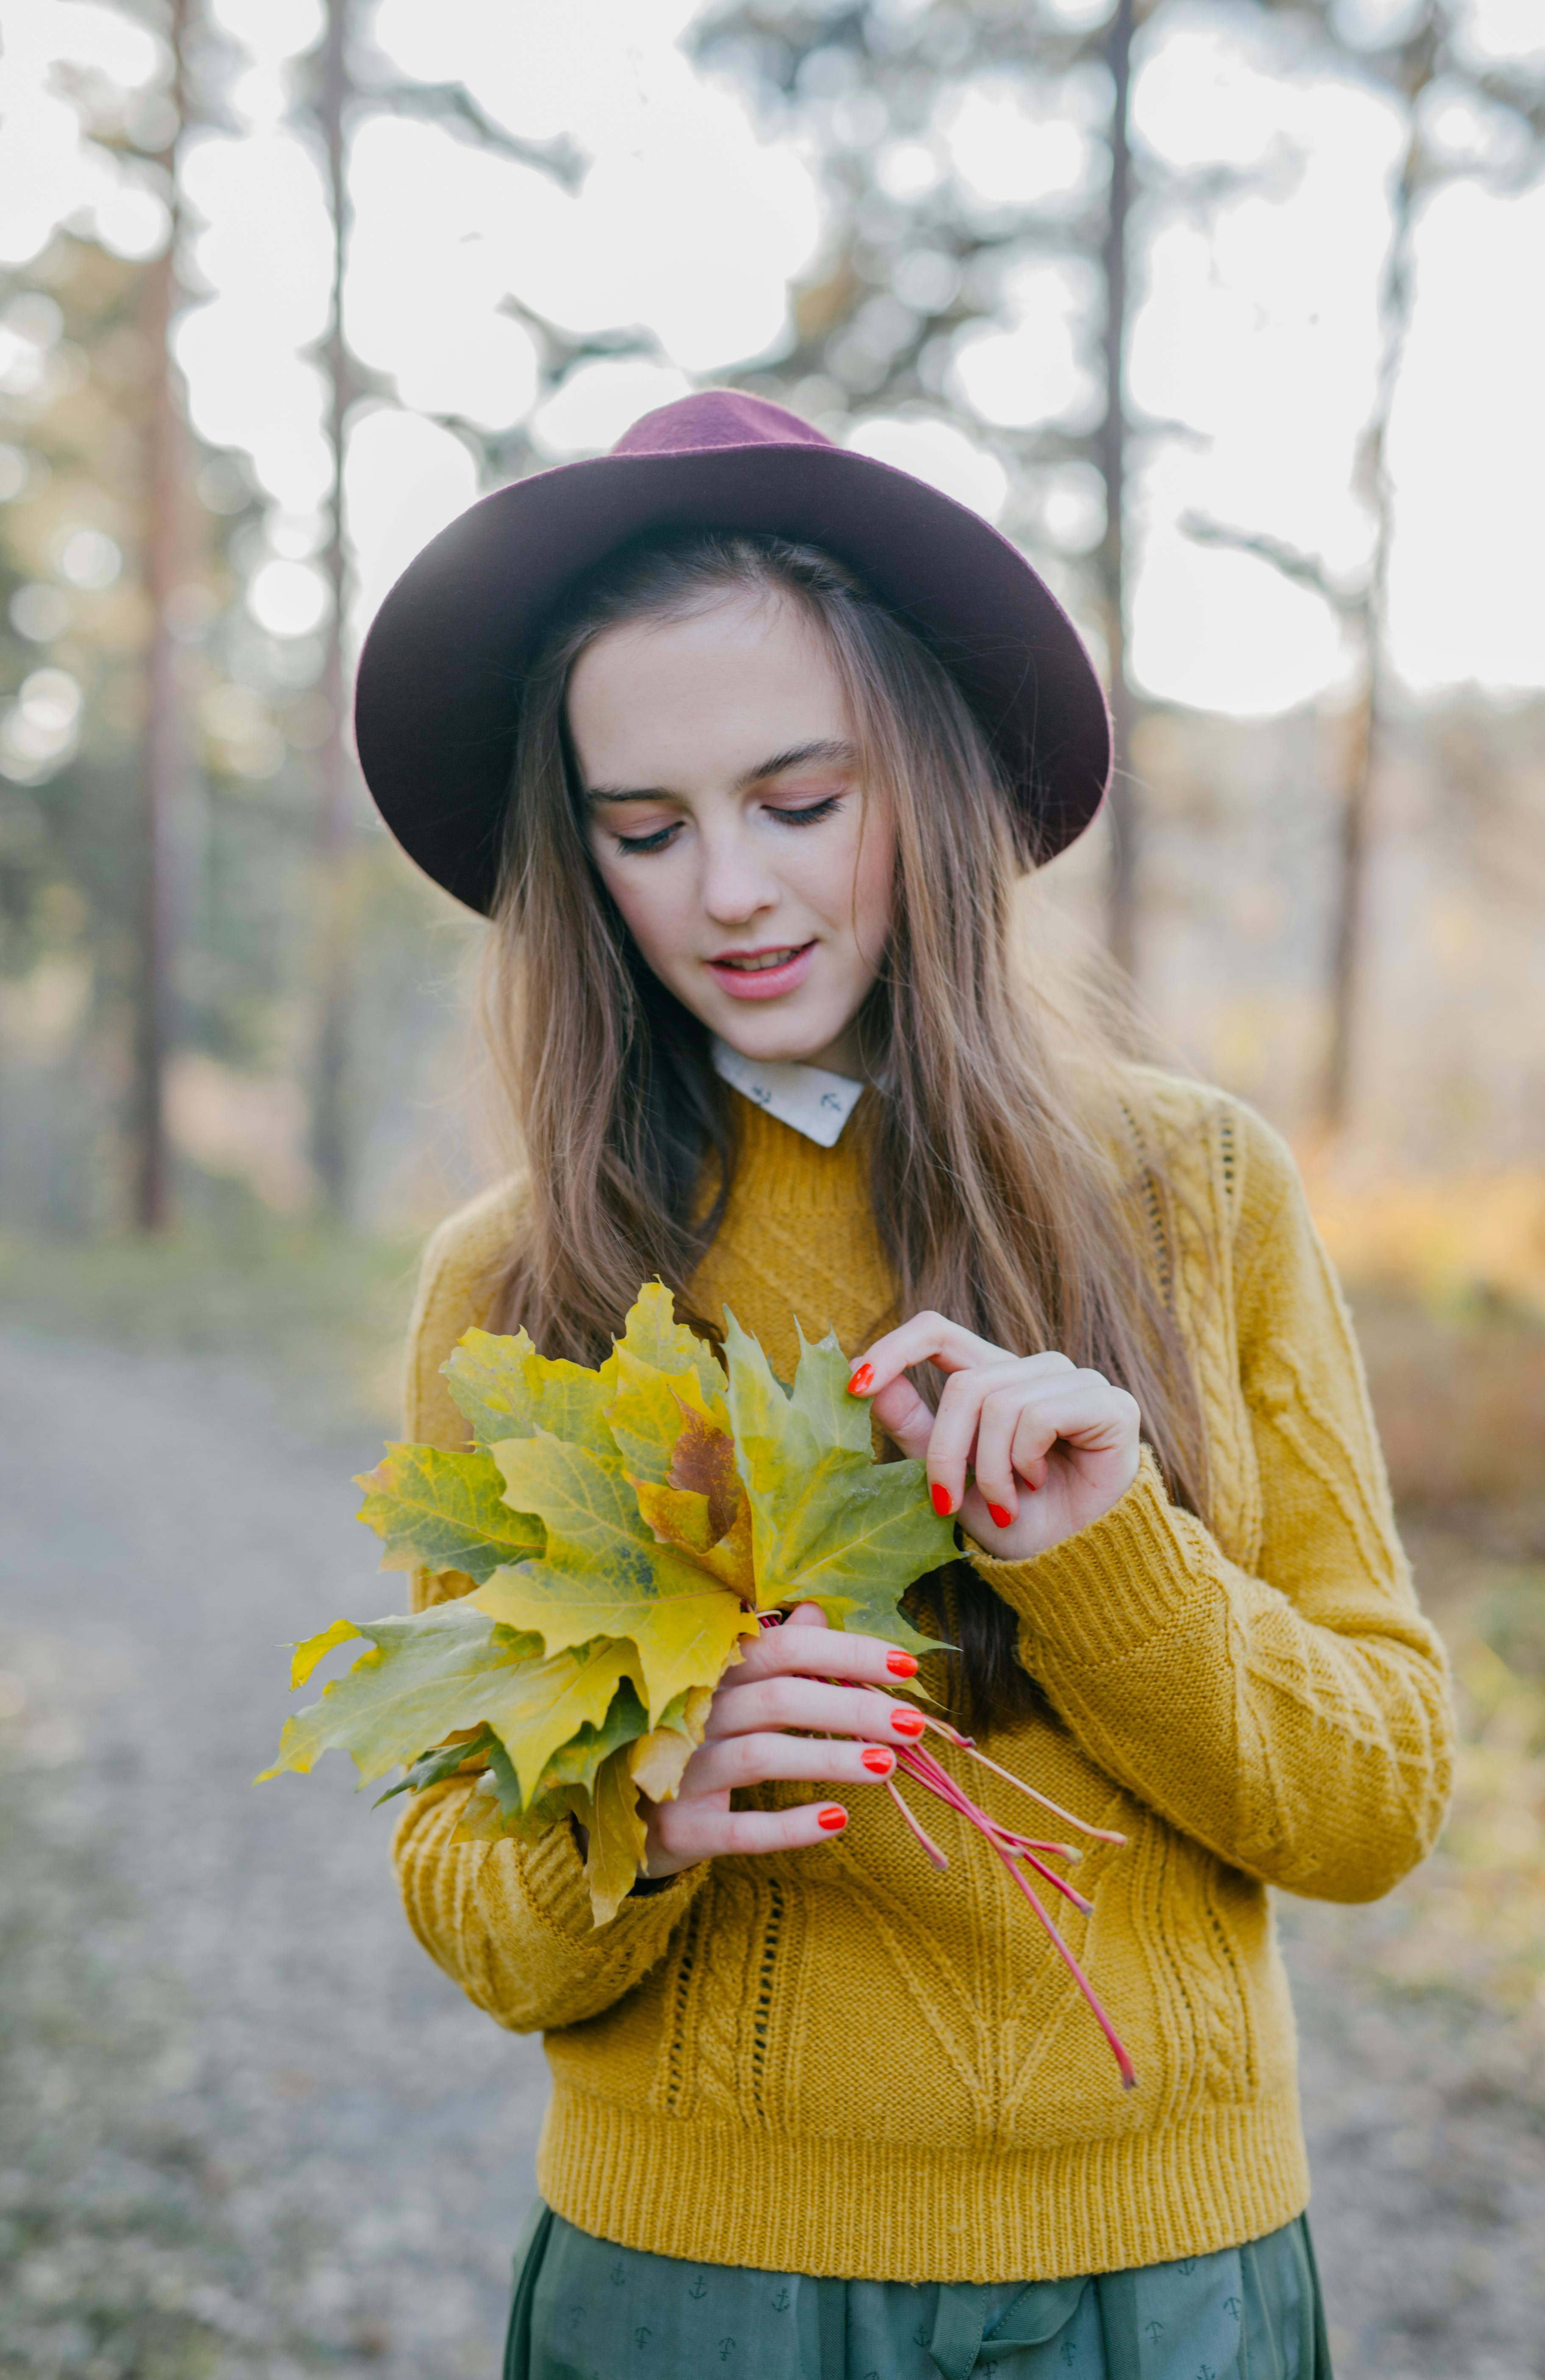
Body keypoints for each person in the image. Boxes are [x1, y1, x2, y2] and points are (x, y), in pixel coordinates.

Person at [353, 390, 1453, 2379]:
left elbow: (1376, 1802)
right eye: (649, 831)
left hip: (1167, 2278)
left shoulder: (1195, 1193)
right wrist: (645, 1813)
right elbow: (472, 1896)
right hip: (698, 2287)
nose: (737, 896)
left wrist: (1118, 1565)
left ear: (926, 784)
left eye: (802, 800)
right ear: (579, 855)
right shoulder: (517, 1283)